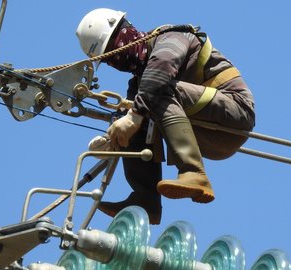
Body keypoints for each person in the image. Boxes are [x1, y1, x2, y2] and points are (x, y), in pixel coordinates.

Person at [77, 8, 255, 224]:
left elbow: (161, 68)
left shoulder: (170, 37)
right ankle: (146, 200)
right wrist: (113, 139)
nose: (115, 62)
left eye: (113, 51)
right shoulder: (139, 83)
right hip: (207, 132)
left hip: (235, 112)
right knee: (135, 111)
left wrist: (134, 116)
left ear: (124, 33)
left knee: (152, 95)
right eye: (108, 60)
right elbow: (132, 113)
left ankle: (194, 173)